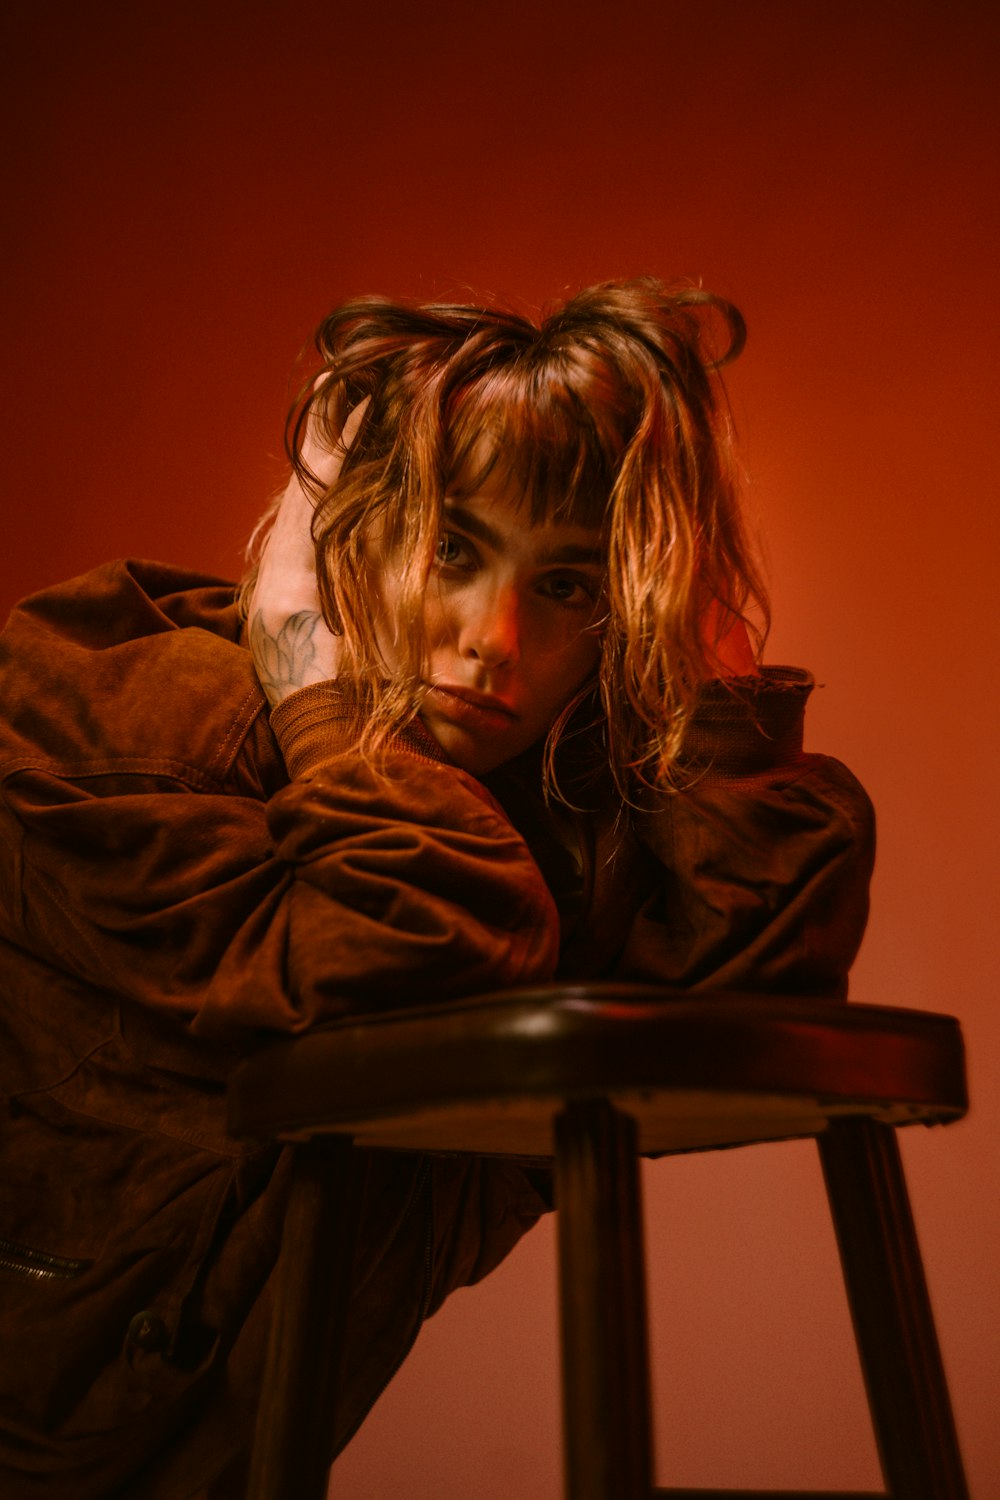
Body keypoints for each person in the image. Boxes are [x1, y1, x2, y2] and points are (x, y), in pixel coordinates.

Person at [0, 278, 874, 1499]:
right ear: (340, 531)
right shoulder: (136, 723)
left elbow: (769, 959)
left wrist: (687, 632)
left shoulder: (548, 814)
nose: (492, 638)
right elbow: (415, 934)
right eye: (452, 549)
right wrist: (312, 670)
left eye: (569, 585)